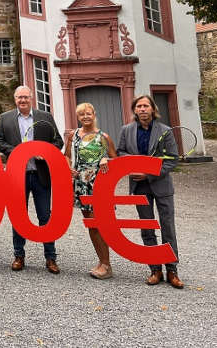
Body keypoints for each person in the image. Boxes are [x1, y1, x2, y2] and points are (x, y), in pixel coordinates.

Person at [0, 85, 64, 274]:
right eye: (19, 98)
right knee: (19, 216)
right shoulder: (5, 118)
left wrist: (46, 152)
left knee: (45, 217)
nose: (22, 100)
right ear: (15, 99)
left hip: (41, 174)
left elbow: (58, 141)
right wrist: (15, 152)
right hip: (18, 175)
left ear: (31, 98)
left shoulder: (45, 117)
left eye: (25, 97)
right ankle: (19, 255)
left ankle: (50, 257)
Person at [117, 94, 184, 289]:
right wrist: (132, 166)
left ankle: (172, 270)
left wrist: (149, 173)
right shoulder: (126, 130)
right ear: (134, 110)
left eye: (146, 106)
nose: (143, 109)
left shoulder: (165, 131)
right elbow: (121, 152)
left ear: (153, 109)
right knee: (147, 228)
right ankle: (155, 269)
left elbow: (172, 159)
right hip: (139, 186)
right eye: (139, 106)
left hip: (161, 185)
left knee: (167, 227)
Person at [63, 102, 117, 279]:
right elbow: (67, 156)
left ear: (94, 114)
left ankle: (107, 265)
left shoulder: (104, 137)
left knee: (100, 224)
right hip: (81, 184)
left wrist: (106, 160)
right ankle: (101, 261)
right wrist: (68, 167)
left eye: (88, 113)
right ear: (78, 117)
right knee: (91, 224)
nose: (85, 117)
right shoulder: (73, 136)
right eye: (81, 115)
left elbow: (116, 159)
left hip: (98, 184)